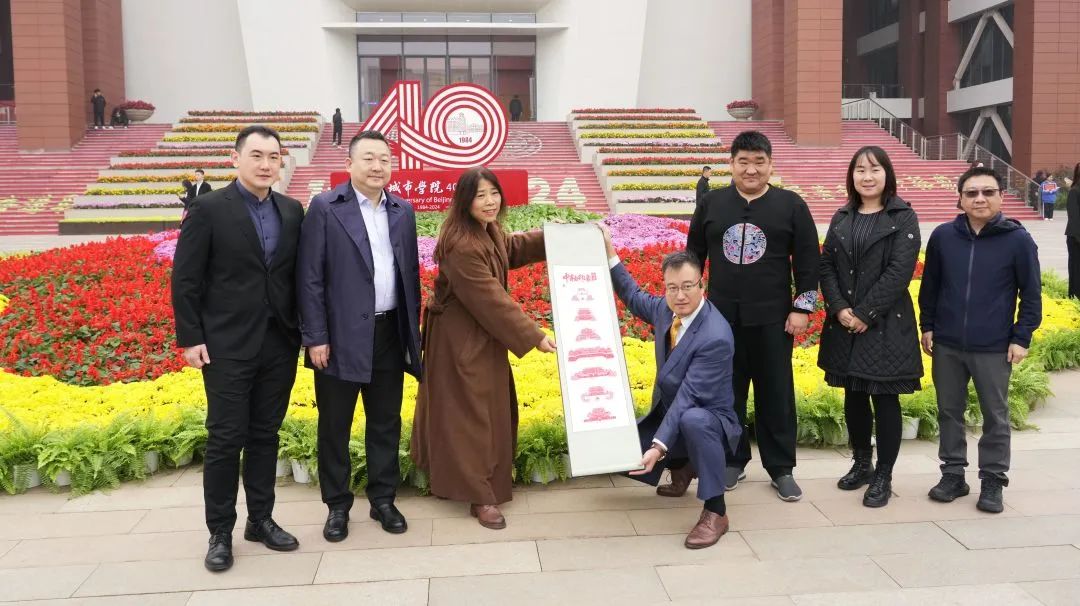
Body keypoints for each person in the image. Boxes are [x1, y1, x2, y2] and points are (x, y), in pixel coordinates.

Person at [171, 125, 305, 572]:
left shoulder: (292, 210)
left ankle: (260, 520)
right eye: (257, 155)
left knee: (266, 435)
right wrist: (191, 337)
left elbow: (295, 275)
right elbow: (186, 278)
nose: (266, 164)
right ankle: (220, 532)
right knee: (226, 439)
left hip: (278, 341)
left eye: (274, 157)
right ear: (236, 158)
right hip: (226, 344)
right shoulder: (209, 208)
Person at [410, 167, 556, 530]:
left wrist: (558, 238)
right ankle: (480, 496)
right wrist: (534, 336)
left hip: (480, 334)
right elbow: (490, 298)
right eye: (480, 196)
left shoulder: (485, 229)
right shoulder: (461, 244)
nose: (490, 202)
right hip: (460, 342)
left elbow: (512, 248)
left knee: (486, 410)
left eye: (494, 193)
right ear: (465, 201)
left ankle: (481, 480)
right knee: (471, 417)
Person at [297, 130, 422, 543]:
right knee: (335, 425)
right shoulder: (326, 207)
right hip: (339, 338)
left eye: (384, 159)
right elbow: (310, 277)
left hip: (389, 333)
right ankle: (337, 506)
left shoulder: (402, 210)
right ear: (349, 164)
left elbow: (409, 276)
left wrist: (412, 334)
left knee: (385, 422)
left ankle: (383, 499)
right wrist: (316, 336)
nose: (377, 166)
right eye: (368, 158)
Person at [687, 130, 819, 502]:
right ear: (731, 164)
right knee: (726, 393)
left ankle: (781, 468)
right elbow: (693, 256)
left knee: (776, 392)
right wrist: (690, 307)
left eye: (759, 162)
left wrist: (802, 308)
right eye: (743, 161)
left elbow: (808, 262)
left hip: (774, 320)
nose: (751, 169)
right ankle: (732, 460)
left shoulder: (791, 205)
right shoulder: (712, 203)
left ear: (770, 165)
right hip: (720, 320)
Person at [600, 225, 740, 549]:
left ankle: (716, 511)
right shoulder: (667, 310)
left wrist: (658, 446)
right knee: (613, 454)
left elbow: (688, 397)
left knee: (692, 420)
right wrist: (609, 250)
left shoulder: (715, 336)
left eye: (688, 286)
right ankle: (683, 466)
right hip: (671, 412)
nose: (680, 296)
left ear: (702, 284)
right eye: (672, 288)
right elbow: (633, 296)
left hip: (709, 420)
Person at [919, 166, 1042, 514]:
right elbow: (930, 286)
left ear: (1001, 196)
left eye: (988, 192)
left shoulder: (1017, 240)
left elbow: (1031, 295)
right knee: (949, 411)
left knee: (995, 415)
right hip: (947, 343)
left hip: (993, 346)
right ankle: (953, 475)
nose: (979, 199)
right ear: (960, 198)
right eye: (971, 193)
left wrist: (1021, 337)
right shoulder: (944, 236)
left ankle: (993, 480)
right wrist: (927, 325)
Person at [817, 146, 923, 508]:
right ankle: (862, 463)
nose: (867, 176)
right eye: (860, 169)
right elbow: (827, 265)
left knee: (884, 397)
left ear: (887, 174)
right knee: (854, 394)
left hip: (885, 324)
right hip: (846, 323)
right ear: (852, 176)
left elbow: (899, 271)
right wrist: (839, 308)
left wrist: (865, 312)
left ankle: (884, 474)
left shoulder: (903, 217)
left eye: (874, 169)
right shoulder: (842, 216)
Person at [1066, 163, 1080, 299]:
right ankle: (1075, 297)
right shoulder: (1074, 191)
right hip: (1076, 238)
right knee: (1076, 269)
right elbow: (1074, 217)